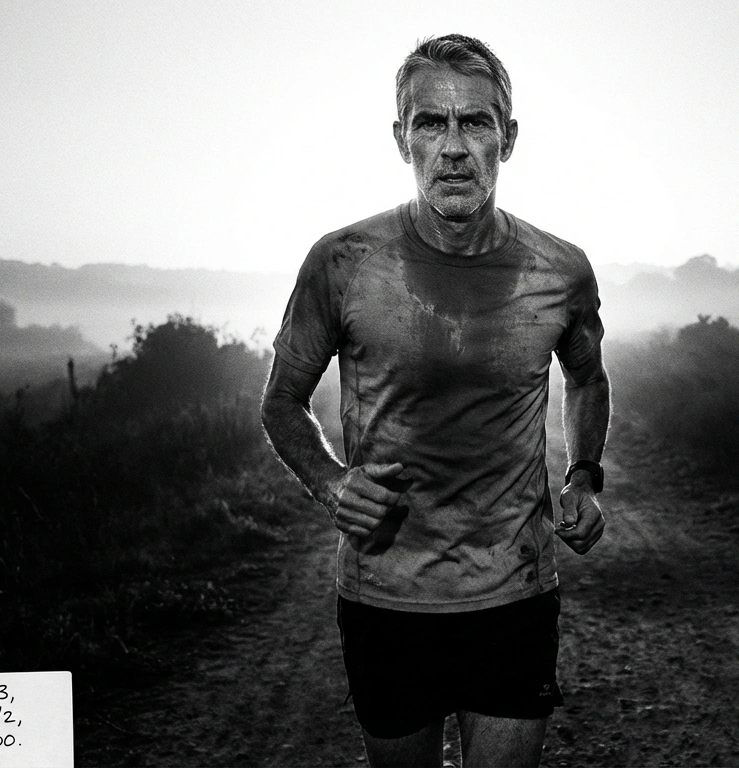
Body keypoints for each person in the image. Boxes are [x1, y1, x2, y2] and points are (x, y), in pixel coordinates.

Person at [260, 33, 610, 768]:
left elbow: (587, 378)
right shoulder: (342, 261)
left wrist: (583, 476)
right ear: (401, 139)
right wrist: (330, 485)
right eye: (431, 123)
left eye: (475, 123)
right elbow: (282, 401)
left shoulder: (561, 270)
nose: (453, 147)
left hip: (514, 591)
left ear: (507, 138)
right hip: (385, 598)